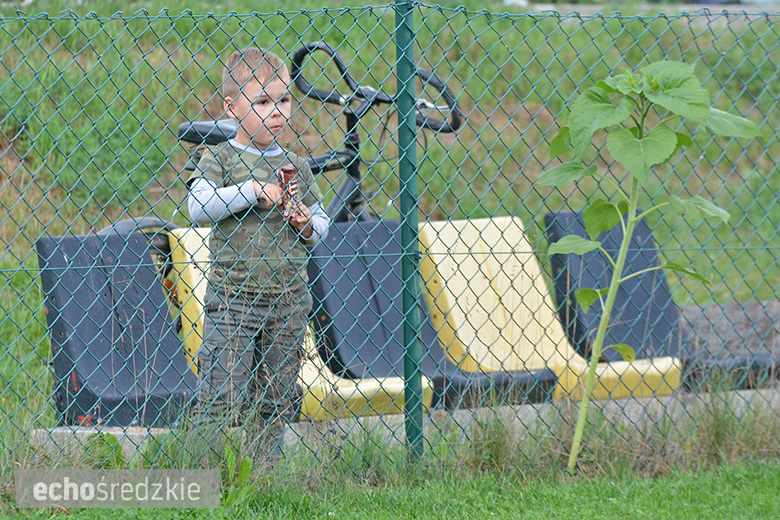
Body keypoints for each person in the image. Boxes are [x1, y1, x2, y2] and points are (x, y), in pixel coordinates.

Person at [185, 47, 329, 463]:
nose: (277, 111)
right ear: (231, 108)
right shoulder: (222, 155)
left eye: (283, 100)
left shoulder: (296, 165)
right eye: (263, 102)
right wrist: (251, 192)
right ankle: (200, 475)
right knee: (221, 392)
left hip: (288, 299)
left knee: (275, 397)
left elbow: (321, 224)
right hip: (234, 298)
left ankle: (261, 473)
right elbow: (199, 206)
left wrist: (305, 222)